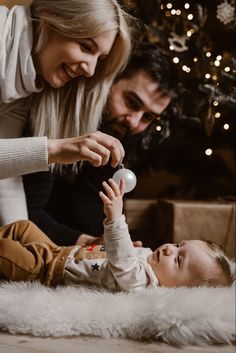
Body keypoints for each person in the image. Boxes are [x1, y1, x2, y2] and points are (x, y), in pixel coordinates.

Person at [23, 42, 178, 245]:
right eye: (132, 102)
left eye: (148, 116)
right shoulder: (54, 111)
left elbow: (89, 203)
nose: (133, 121)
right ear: (110, 80)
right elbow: (26, 212)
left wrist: (104, 245)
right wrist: (86, 242)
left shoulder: (125, 132)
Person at [0, 0, 132, 225]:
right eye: (86, 47)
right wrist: (58, 148)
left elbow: (6, 180)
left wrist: (41, 252)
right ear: (49, 19)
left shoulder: (24, 86)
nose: (90, 71)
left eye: (99, 59)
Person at [0, 178, 233, 291]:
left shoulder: (143, 282)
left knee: (7, 252)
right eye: (179, 245)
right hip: (60, 251)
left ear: (180, 291)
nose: (171, 249)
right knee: (22, 226)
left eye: (179, 260)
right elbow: (113, 254)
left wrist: (115, 219)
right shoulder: (148, 259)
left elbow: (122, 264)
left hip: (48, 270)